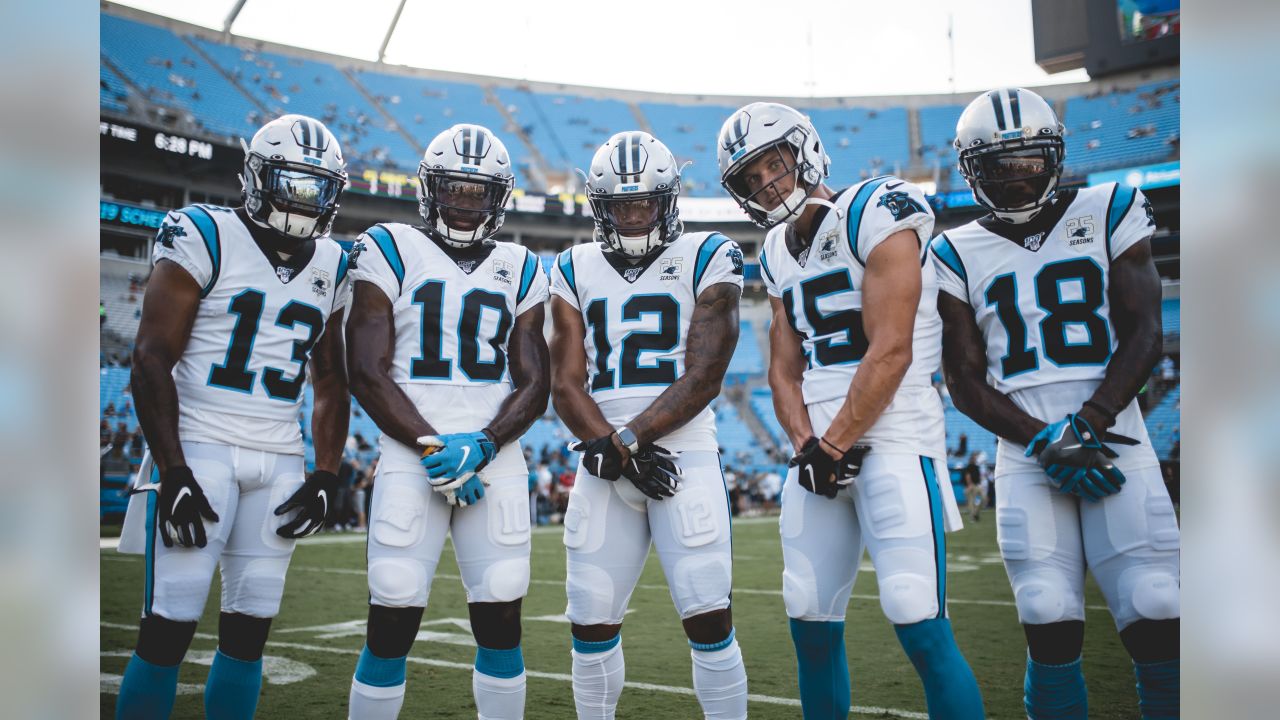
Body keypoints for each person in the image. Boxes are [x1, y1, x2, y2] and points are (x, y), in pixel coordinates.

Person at [718, 102, 984, 719]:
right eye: (749, 179)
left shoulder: (876, 207)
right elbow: (782, 369)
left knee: (916, 614)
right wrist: (807, 445)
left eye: (771, 164)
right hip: (819, 455)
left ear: (805, 150)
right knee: (808, 616)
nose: (765, 184)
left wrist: (831, 445)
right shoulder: (776, 250)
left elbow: (890, 349)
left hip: (894, 441)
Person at [931, 87, 1179, 719]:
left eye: (1029, 160)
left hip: (1114, 437)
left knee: (1156, 603)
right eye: (998, 166)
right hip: (1025, 454)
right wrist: (1046, 439)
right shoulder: (954, 248)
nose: (1016, 178)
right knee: (1044, 611)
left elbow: (1146, 331)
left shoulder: (1109, 207)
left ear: (1056, 155)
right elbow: (963, 379)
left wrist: (1089, 423)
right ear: (971, 171)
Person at [115, 114, 352, 719]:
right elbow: (150, 358)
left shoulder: (333, 262)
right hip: (201, 444)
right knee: (168, 625)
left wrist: (326, 473)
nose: (305, 200)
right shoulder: (204, 233)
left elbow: (330, 377)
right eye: (291, 182)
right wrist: (173, 470)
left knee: (249, 637)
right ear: (255, 177)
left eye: (317, 187)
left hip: (279, 456)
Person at [344, 123, 550, 720]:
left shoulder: (520, 264)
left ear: (498, 197)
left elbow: (535, 381)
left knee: (502, 605)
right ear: (430, 190)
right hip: (414, 453)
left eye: (477, 191)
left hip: (495, 457)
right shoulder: (388, 245)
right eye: (454, 189)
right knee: (394, 604)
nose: (464, 202)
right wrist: (438, 448)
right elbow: (366, 368)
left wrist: (481, 444)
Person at [550, 130, 749, 719]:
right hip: (602, 454)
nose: (634, 217)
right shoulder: (573, 264)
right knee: (588, 615)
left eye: (644, 203)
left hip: (676, 452)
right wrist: (607, 445)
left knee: (707, 609)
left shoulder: (708, 253)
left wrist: (628, 441)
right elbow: (565, 380)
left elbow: (706, 372)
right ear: (599, 206)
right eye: (620, 205)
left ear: (669, 201)